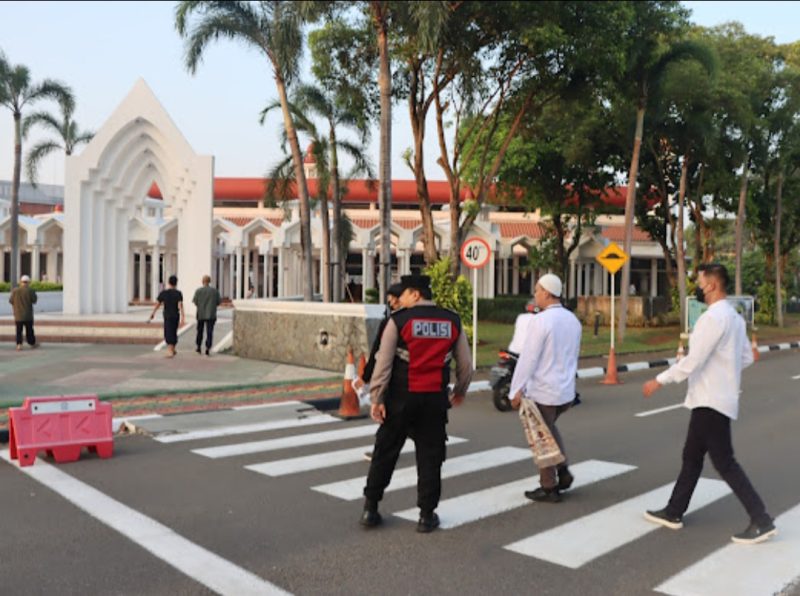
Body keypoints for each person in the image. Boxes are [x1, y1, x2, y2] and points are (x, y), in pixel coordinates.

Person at [642, 263, 776, 545]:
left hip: (710, 400)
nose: (699, 288)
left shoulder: (712, 319)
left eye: (701, 283)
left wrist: (659, 380)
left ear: (712, 285)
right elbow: (747, 358)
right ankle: (674, 511)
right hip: (716, 398)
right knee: (692, 456)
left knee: (724, 462)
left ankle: (761, 519)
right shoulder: (735, 318)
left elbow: (693, 361)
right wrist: (725, 370)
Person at [360, 274, 473, 533]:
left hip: (400, 399)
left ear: (415, 294)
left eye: (403, 294)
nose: (399, 299)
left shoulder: (398, 320)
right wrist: (460, 391)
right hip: (434, 401)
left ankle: (370, 509)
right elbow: (466, 365)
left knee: (385, 453)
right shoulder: (451, 320)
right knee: (430, 457)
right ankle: (426, 515)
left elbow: (383, 363)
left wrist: (377, 398)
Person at [509, 273, 582, 503]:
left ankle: (549, 487)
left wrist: (515, 389)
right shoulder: (573, 320)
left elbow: (528, 358)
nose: (535, 295)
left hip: (544, 391)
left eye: (537, 290)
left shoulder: (541, 321)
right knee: (548, 429)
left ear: (548, 293)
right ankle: (563, 470)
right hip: (565, 392)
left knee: (541, 438)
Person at [354, 282, 405, 461]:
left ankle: (380, 455)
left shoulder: (391, 322)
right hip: (418, 383)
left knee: (390, 421)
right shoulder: (417, 321)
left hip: (395, 379)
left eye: (393, 300)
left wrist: (366, 377)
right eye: (389, 300)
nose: (391, 303)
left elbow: (379, 353)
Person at [149, 274, 185, 358]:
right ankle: (173, 349)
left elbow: (158, 304)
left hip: (167, 315)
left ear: (168, 283)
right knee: (174, 331)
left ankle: (170, 351)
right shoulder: (178, 293)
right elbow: (180, 305)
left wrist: (153, 313)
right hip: (176, 315)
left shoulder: (164, 293)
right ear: (176, 283)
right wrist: (183, 316)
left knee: (168, 332)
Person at [193, 275, 222, 356]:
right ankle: (207, 348)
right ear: (210, 281)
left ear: (202, 281)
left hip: (201, 314)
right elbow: (218, 302)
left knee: (200, 331)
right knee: (209, 331)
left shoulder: (198, 291)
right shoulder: (215, 291)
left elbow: (195, 302)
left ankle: (198, 347)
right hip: (211, 314)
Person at [9, 275, 38, 351]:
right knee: (29, 330)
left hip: (18, 315)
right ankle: (32, 343)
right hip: (28, 315)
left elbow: (11, 301)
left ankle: (19, 344)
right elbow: (34, 301)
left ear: (20, 282)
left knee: (19, 331)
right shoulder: (31, 290)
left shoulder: (15, 291)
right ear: (28, 282)